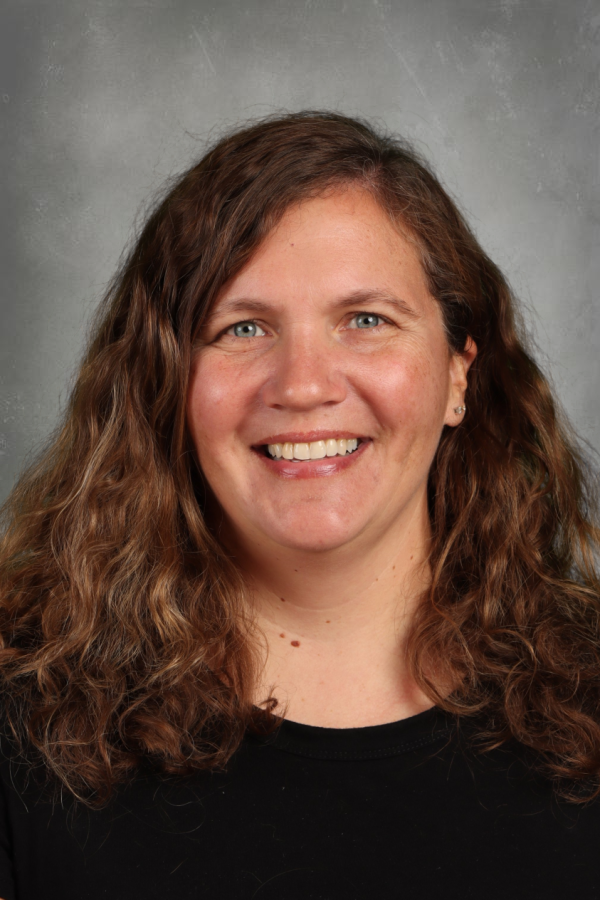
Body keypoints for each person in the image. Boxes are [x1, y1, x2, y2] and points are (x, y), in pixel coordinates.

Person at [0, 111, 599, 899]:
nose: (304, 385)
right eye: (242, 327)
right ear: (166, 383)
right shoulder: (24, 730)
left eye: (366, 321)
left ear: (459, 375)